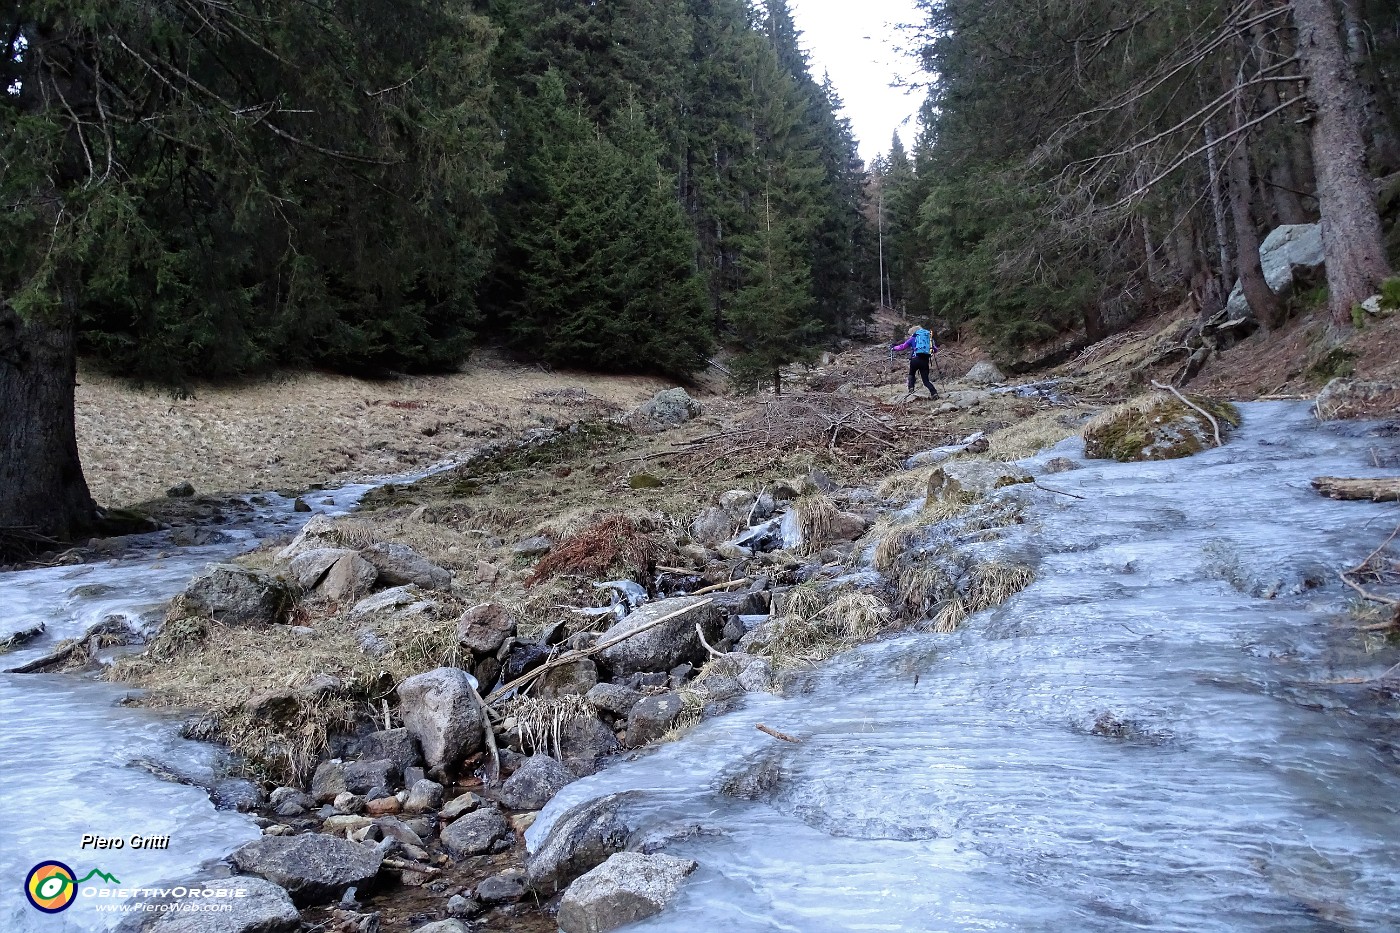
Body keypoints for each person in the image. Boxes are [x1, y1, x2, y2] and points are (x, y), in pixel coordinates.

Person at [892, 324, 938, 398]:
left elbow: (902, 346)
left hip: (915, 359)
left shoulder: (913, 338)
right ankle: (934, 393)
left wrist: (894, 348)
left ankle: (911, 388)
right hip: (925, 361)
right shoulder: (929, 339)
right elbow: (935, 350)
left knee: (912, 374)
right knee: (926, 380)